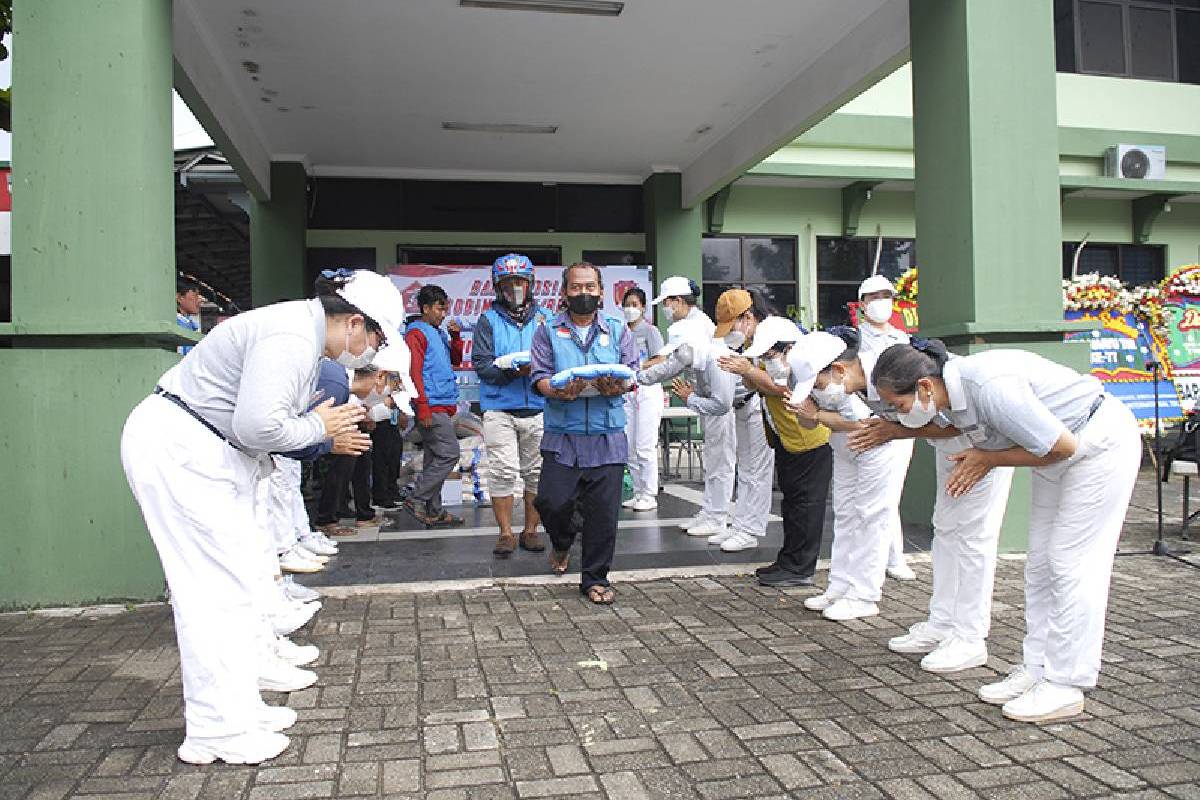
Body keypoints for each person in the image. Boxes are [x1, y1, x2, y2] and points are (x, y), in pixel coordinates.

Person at [120, 268, 403, 765]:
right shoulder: (292, 336)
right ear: (355, 322)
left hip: (205, 450)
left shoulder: (299, 332)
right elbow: (260, 424)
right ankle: (217, 729)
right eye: (375, 339)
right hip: (185, 450)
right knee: (213, 594)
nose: (371, 353)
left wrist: (312, 427)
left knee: (239, 583)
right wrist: (319, 427)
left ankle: (239, 707)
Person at [871, 340, 1139, 723]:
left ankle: (1067, 682)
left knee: (1072, 564)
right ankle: (1037, 668)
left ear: (925, 387)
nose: (900, 415)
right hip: (1056, 457)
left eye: (899, 406)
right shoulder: (952, 395)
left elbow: (1064, 445)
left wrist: (988, 459)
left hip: (1097, 445)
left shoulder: (990, 386)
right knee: (1041, 564)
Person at [844, 349, 1014, 674]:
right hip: (954, 451)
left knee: (974, 538)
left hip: (984, 450)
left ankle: (969, 636)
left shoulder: (940, 381)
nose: (892, 410)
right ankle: (943, 622)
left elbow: (957, 426)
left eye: (897, 405)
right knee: (946, 529)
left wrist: (900, 431)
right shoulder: (892, 376)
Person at [784, 328, 916, 622]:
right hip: (843, 447)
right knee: (845, 513)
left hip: (882, 446)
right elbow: (809, 421)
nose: (816, 389)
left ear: (839, 369)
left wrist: (817, 416)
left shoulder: (878, 373)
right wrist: (810, 416)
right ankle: (840, 585)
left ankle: (864, 594)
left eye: (818, 383)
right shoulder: (811, 373)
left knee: (871, 516)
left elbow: (864, 424)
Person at [530, 262, 638, 605]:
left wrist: (616, 386)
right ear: (564, 293)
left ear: (602, 292)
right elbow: (539, 376)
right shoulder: (546, 331)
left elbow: (632, 374)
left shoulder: (619, 330)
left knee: (604, 514)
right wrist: (556, 390)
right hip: (563, 434)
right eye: (576, 287)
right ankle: (562, 542)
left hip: (608, 436)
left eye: (590, 287)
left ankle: (595, 578)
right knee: (551, 501)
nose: (584, 294)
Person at [719, 316, 833, 587]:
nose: (767, 358)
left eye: (771, 353)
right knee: (792, 504)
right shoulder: (768, 359)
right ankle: (789, 560)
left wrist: (749, 371)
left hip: (809, 440)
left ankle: (801, 567)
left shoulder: (804, 361)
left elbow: (783, 387)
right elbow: (755, 384)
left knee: (806, 507)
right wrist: (749, 372)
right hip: (785, 439)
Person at [473, 253, 554, 556]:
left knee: (536, 472)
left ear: (530, 283)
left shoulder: (546, 319)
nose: (515, 288)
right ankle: (505, 533)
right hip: (499, 408)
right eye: (508, 283)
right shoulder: (487, 321)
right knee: (503, 471)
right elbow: (482, 365)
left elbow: (555, 359)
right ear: (498, 286)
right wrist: (511, 371)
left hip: (539, 407)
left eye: (520, 281)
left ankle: (531, 530)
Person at [650, 276, 734, 538]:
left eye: (666, 302)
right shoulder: (688, 324)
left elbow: (673, 364)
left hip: (718, 400)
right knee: (712, 459)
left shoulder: (698, 326)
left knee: (721, 461)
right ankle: (710, 511)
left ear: (677, 301)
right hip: (706, 399)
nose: (665, 308)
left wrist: (641, 374)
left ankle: (718, 516)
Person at [856, 275, 916, 581]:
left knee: (892, 491)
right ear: (862, 303)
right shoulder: (855, 339)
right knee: (872, 498)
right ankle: (880, 558)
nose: (881, 302)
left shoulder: (902, 338)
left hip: (901, 420)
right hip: (868, 420)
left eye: (886, 296)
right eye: (874, 296)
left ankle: (893, 555)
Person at [710, 288, 776, 551]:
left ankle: (750, 529)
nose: (732, 332)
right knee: (746, 470)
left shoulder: (771, 336)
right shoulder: (749, 341)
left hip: (760, 408)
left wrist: (745, 369)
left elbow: (776, 381)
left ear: (748, 316)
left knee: (758, 471)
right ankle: (740, 524)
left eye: (733, 324)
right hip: (744, 407)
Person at [403, 284, 466, 527]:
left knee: (434, 458)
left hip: (442, 404)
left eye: (445, 309)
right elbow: (414, 373)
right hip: (432, 405)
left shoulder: (436, 333)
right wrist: (422, 407)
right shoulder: (416, 334)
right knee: (450, 454)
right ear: (425, 308)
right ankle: (417, 498)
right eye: (439, 309)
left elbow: (455, 360)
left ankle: (434, 510)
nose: (443, 314)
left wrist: (456, 338)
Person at [620, 287, 665, 512]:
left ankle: (649, 494)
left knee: (645, 445)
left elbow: (661, 359)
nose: (630, 309)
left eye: (635, 304)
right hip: (628, 390)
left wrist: (638, 366)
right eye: (627, 304)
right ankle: (638, 492)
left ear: (643, 307)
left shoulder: (650, 331)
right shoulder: (621, 332)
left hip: (647, 390)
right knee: (629, 446)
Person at [176, 277, 203, 356]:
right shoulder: (176, 322)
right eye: (196, 295)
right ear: (179, 297)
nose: (200, 300)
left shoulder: (191, 325)